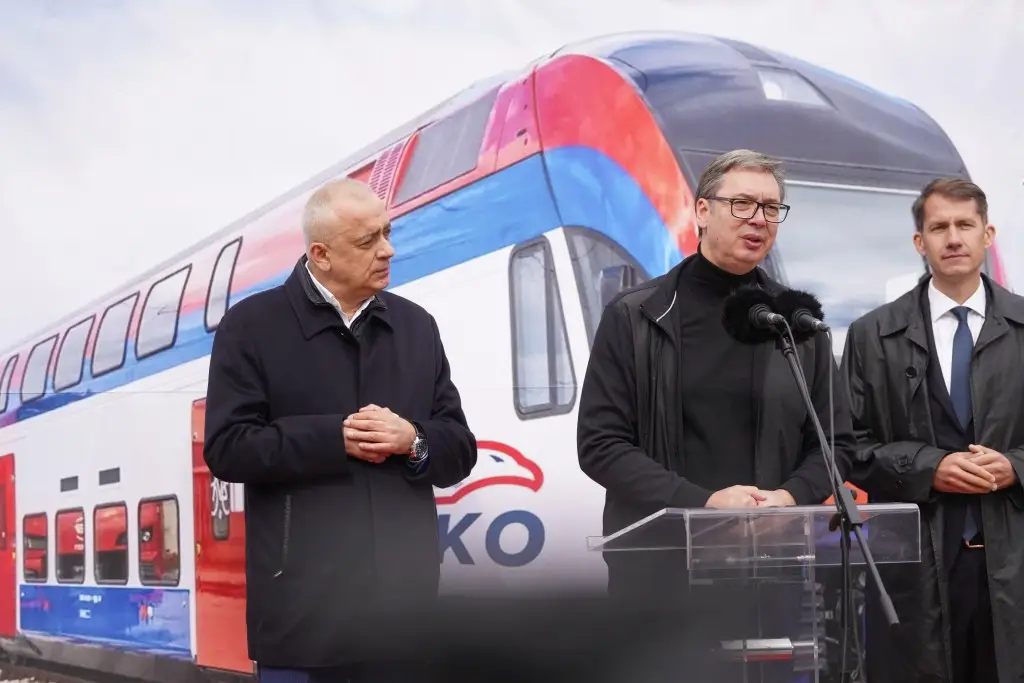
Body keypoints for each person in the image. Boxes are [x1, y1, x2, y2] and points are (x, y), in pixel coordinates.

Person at [203, 178, 478, 682]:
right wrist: (335, 439)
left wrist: (413, 439)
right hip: (302, 621)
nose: (387, 250)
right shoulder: (251, 327)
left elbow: (459, 449)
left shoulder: (418, 327)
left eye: (387, 232)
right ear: (321, 255)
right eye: (368, 240)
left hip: (404, 621)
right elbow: (227, 447)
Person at [576, 148, 856, 601]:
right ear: (702, 212)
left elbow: (836, 443)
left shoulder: (797, 322)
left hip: (771, 569)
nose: (759, 219)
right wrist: (702, 503)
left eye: (771, 208)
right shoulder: (635, 316)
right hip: (659, 575)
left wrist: (788, 498)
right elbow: (601, 445)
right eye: (742, 204)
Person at [841, 178, 1024, 683]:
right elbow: (845, 445)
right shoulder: (872, 336)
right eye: (939, 227)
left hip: (1015, 563)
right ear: (920, 242)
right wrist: (929, 467)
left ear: (988, 235)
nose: (954, 238)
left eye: (965, 225)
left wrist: (1015, 466)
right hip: (916, 567)